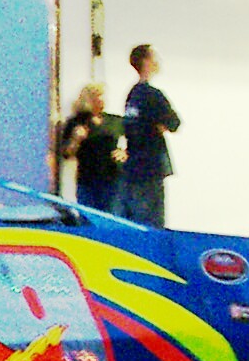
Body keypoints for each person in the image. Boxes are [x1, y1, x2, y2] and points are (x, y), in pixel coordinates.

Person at [120, 44, 180, 226]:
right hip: (151, 167)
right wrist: (160, 125)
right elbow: (174, 123)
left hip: (133, 166)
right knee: (151, 223)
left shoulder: (132, 95)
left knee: (134, 221)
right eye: (155, 57)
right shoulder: (153, 95)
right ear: (146, 61)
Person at [57, 84, 122, 214]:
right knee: (88, 217)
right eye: (96, 96)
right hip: (87, 181)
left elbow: (132, 141)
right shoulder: (76, 122)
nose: (101, 100)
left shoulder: (115, 121)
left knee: (112, 218)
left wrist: (124, 151)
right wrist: (76, 140)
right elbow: (66, 154)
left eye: (102, 96)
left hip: (112, 180)